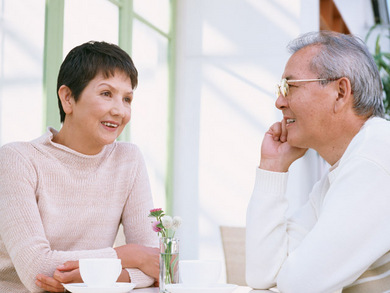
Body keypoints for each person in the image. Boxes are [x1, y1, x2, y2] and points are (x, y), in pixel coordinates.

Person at [0, 41, 159, 293]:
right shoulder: (18, 159)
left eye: (127, 98)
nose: (120, 110)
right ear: (68, 98)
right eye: (106, 94)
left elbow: (156, 265)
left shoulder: (128, 159)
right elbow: (38, 270)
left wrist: (88, 277)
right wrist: (131, 256)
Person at [246, 31, 390, 293]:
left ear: (340, 92)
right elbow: (262, 275)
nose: (279, 102)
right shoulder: (336, 177)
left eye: (290, 87)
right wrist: (272, 167)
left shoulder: (376, 155)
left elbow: (299, 285)